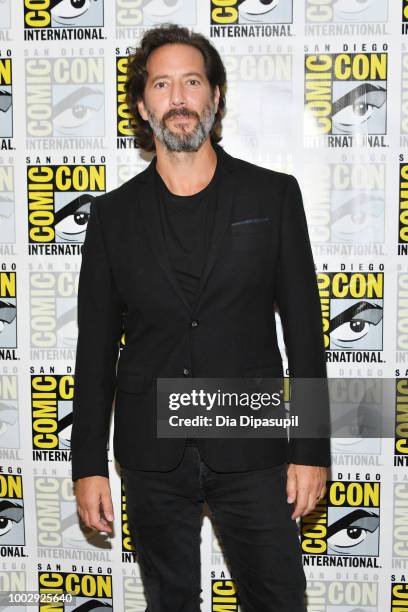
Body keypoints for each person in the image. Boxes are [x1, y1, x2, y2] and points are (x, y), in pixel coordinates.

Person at [71, 24, 331, 612]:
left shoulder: (273, 197)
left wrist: (311, 448)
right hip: (151, 452)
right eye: (162, 84)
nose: (179, 97)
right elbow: (95, 352)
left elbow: (306, 334)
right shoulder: (112, 217)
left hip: (253, 444)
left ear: (215, 96)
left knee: (278, 599)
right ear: (143, 106)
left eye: (192, 81)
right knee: (169, 603)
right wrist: (87, 466)